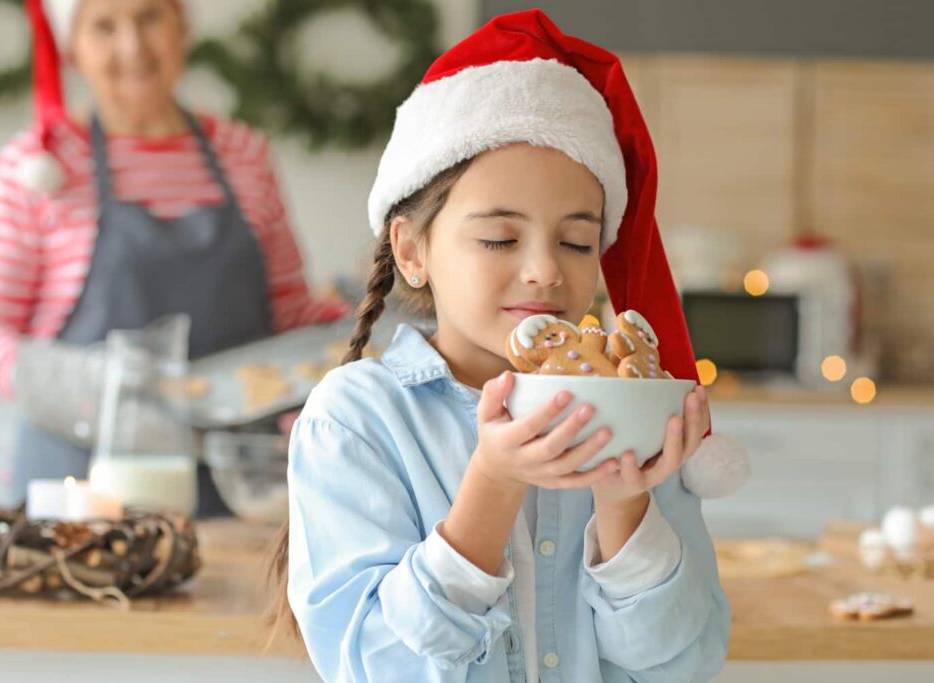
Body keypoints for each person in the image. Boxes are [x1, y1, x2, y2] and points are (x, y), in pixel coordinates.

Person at [272, 9, 750, 681]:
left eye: (577, 241)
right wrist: (493, 480)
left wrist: (624, 505)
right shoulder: (356, 418)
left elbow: (683, 664)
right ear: (411, 250)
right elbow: (376, 667)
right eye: (499, 237)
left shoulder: (637, 416)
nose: (546, 270)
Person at [0, 0, 348, 510]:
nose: (132, 46)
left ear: (182, 28)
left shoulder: (244, 155)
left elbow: (290, 314)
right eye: (104, 26)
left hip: (232, 492)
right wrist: (93, 387)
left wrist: (363, 323)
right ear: (73, 48)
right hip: (79, 492)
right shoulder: (41, 166)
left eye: (150, 17)